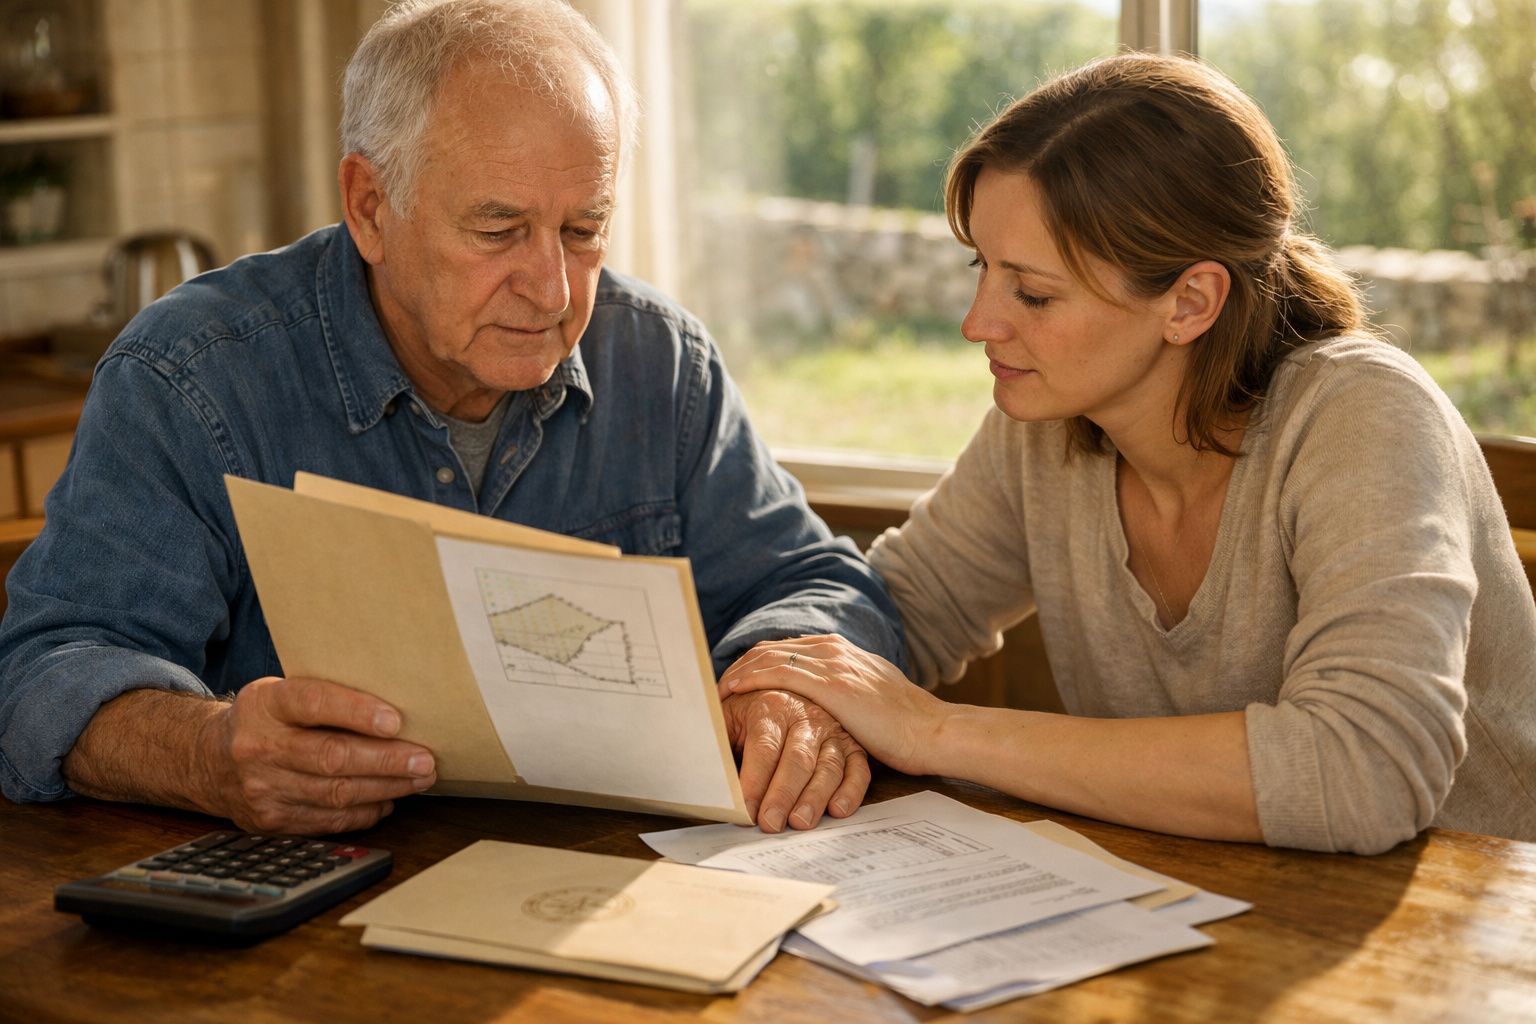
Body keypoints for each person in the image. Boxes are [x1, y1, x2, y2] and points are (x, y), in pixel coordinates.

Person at [0, 0, 905, 837]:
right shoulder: (192, 377)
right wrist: (208, 752)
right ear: (370, 207)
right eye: (499, 230)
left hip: (612, 902)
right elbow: (44, 673)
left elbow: (822, 586)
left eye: (584, 229)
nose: (552, 289)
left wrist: (789, 684)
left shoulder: (660, 362)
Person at [721, 53, 1536, 855]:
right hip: (1212, 912)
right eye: (985, 270)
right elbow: (901, 607)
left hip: (1474, 940)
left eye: (1032, 293)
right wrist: (797, 702)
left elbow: (1367, 771)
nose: (978, 322)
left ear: (1189, 302)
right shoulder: (1045, 428)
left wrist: (934, 730)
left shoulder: (1364, 416)